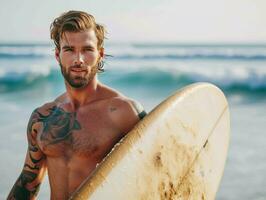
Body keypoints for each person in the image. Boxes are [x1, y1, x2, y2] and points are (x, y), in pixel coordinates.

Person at [7, 10, 146, 200]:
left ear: (100, 54)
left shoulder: (123, 113)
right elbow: (28, 182)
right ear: (58, 55)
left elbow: (151, 175)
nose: (78, 59)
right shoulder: (43, 117)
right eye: (69, 49)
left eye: (87, 49)